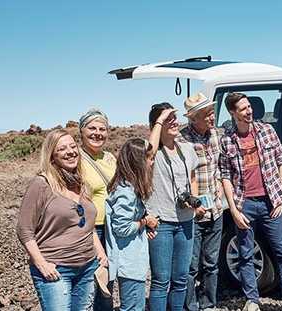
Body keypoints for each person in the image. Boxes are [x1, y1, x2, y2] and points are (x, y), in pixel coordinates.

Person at [219, 92, 282, 311]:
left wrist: (281, 195)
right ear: (233, 112)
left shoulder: (266, 130)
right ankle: (252, 300)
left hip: (270, 202)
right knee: (245, 254)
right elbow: (225, 176)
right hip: (244, 204)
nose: (249, 110)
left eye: (249, 106)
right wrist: (234, 210)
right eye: (243, 108)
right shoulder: (227, 140)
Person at [17, 129, 108, 310]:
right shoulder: (42, 184)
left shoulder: (81, 183)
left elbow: (87, 226)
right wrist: (41, 263)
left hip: (88, 267)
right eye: (62, 149)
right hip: (56, 268)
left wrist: (100, 253)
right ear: (52, 155)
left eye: (73, 146)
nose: (71, 152)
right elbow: (24, 229)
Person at [146, 103, 204, 311]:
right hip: (161, 223)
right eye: (167, 119)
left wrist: (195, 201)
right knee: (161, 280)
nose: (174, 122)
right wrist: (160, 119)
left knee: (181, 278)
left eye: (174, 117)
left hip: (185, 221)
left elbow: (193, 176)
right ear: (156, 124)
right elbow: (148, 153)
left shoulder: (186, 149)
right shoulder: (153, 151)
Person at [179, 93, 224, 311]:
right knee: (190, 266)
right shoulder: (181, 140)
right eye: (207, 114)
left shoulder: (217, 135)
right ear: (193, 117)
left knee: (212, 264)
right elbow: (178, 178)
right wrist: (192, 205)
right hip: (193, 212)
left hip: (216, 209)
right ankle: (191, 306)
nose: (211, 117)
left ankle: (208, 304)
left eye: (212, 112)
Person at [104, 137, 159, 310]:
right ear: (138, 163)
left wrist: (142, 228)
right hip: (129, 261)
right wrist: (144, 222)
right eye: (149, 158)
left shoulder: (128, 187)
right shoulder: (125, 192)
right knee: (133, 306)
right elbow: (122, 228)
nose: (152, 162)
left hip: (132, 259)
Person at [77, 108, 116, 309]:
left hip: (111, 227)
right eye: (92, 128)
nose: (97, 133)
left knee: (107, 279)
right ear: (81, 130)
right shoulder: (75, 159)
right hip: (88, 230)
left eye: (102, 128)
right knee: (89, 281)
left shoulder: (109, 158)